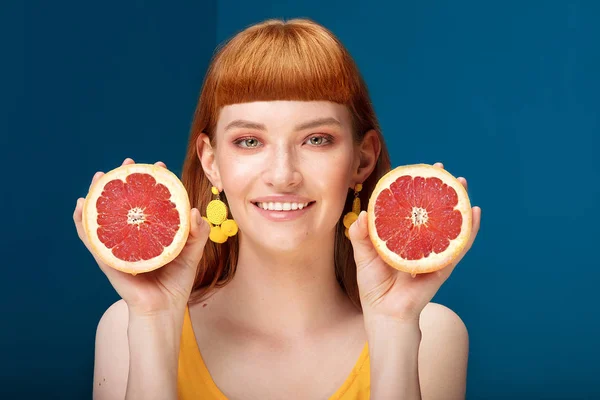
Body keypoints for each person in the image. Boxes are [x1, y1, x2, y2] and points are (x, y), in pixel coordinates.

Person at [74, 18, 481, 400]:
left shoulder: (431, 332)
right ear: (211, 162)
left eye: (317, 139)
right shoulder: (126, 325)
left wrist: (395, 328)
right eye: (249, 141)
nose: (283, 175)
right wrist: (153, 322)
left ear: (362, 160)